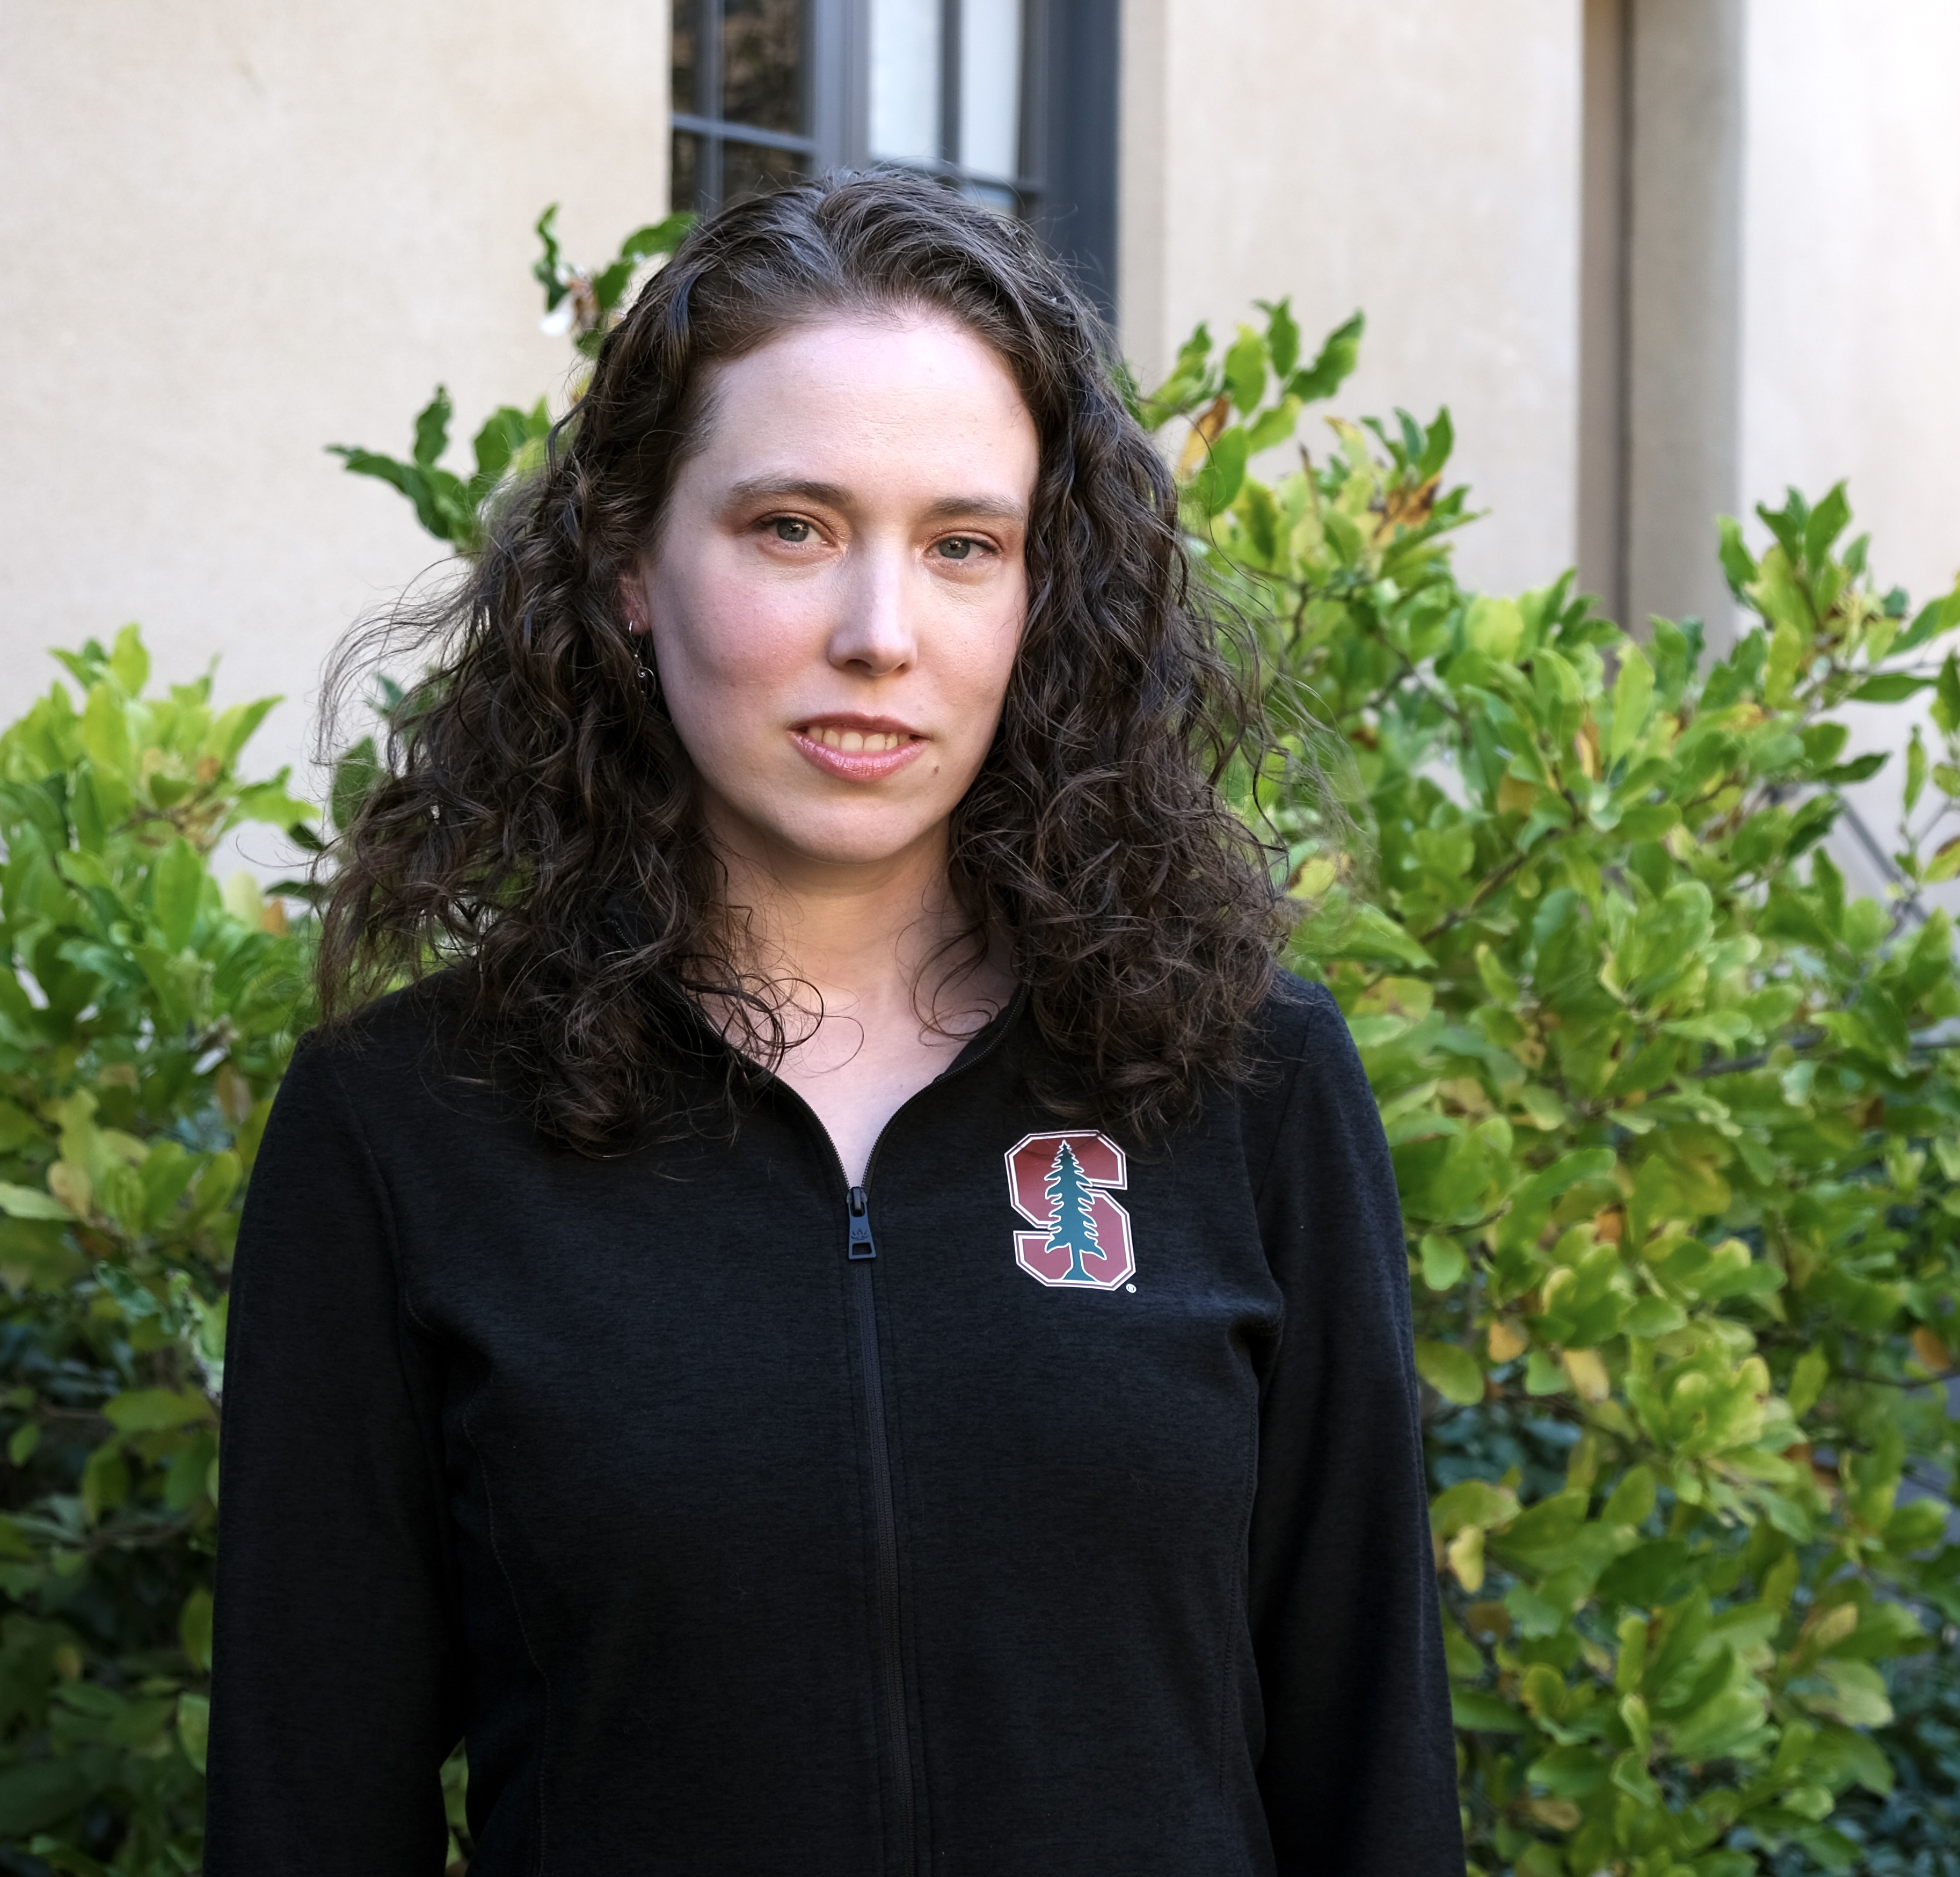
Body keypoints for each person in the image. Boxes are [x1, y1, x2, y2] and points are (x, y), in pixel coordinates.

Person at [202, 170, 1459, 1876]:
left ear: (1039, 598)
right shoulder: (406, 1125)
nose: (880, 635)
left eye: (963, 546)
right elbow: (305, 1812)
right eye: (790, 526)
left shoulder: (1249, 1082)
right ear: (633, 568)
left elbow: (1368, 1768)